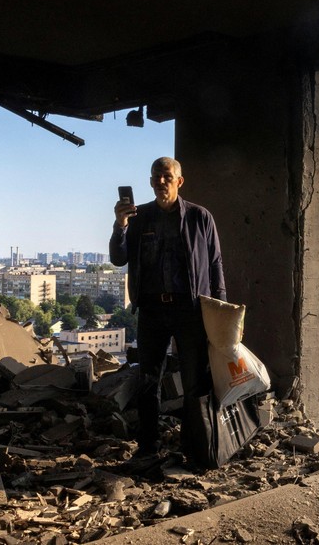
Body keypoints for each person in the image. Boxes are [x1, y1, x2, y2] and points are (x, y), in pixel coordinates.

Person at [110, 157, 226, 465]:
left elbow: (215, 264)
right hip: (151, 309)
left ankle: (194, 448)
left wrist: (220, 308)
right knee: (148, 380)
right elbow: (118, 258)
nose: (160, 181)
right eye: (156, 177)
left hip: (189, 309)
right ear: (150, 182)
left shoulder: (199, 217)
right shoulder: (140, 217)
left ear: (179, 181)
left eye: (166, 176)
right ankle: (149, 447)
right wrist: (120, 225)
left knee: (194, 381)